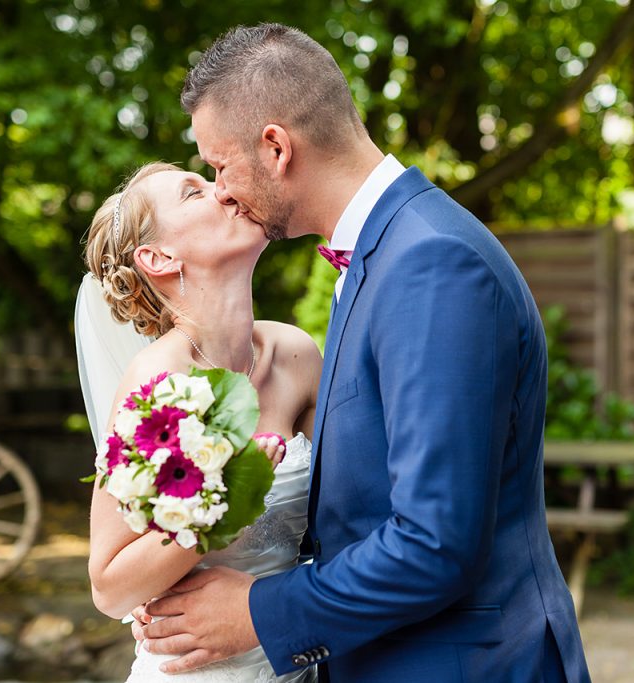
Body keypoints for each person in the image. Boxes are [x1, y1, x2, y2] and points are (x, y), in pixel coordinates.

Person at [137, 23, 592, 682]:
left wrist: (260, 611)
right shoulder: (385, 252)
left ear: (275, 147)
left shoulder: (431, 262)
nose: (223, 191)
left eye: (219, 166)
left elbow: (436, 542)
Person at [74, 160, 322, 682]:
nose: (224, 189)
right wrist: (224, 503)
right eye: (194, 192)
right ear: (159, 257)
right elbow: (110, 587)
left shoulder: (295, 354)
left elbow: (347, 517)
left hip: (295, 655)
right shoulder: (155, 385)